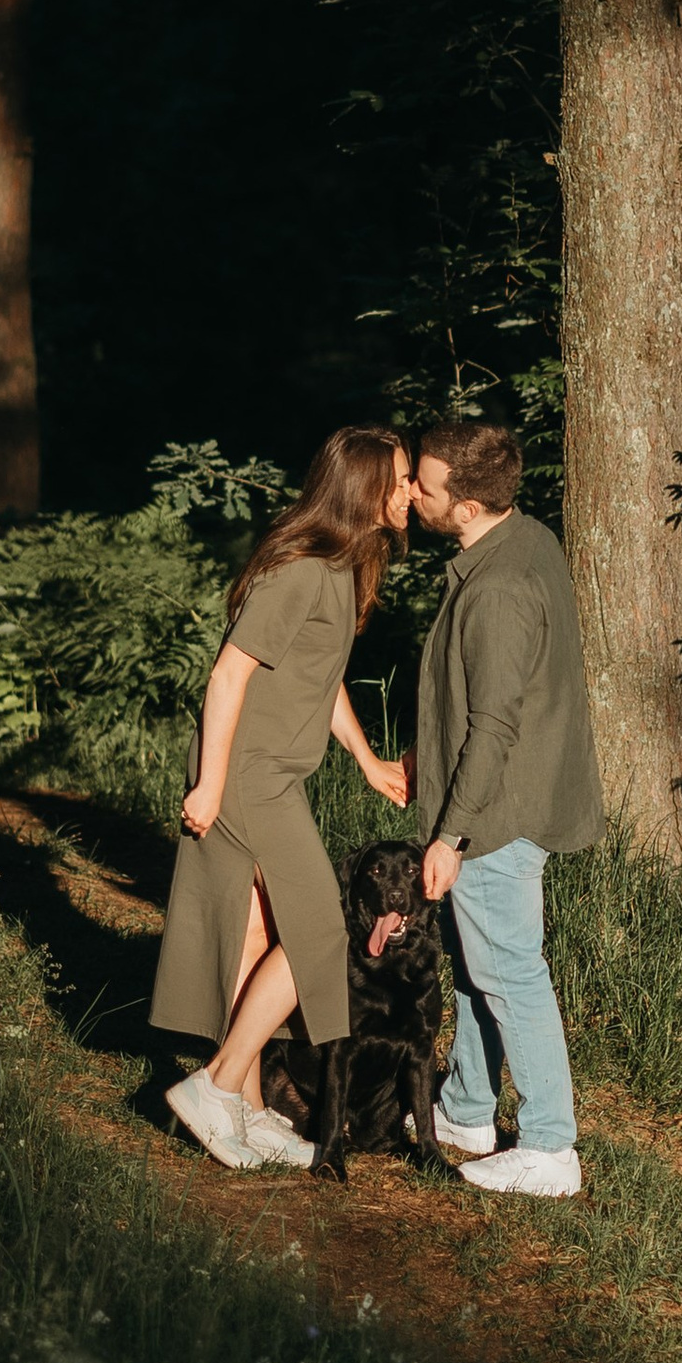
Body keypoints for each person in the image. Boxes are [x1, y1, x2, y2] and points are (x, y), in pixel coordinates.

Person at [151, 425, 413, 1172]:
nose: (407, 494)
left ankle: (249, 1107)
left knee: (260, 937)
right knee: (321, 933)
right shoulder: (302, 569)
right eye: (396, 482)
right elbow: (229, 673)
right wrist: (209, 783)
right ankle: (216, 1083)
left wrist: (366, 760)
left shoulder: (341, 567)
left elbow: (318, 674)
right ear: (364, 489)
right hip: (247, 773)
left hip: (268, 771)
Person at [407, 418, 604, 1198]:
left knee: (511, 974)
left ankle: (553, 1148)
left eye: (422, 486)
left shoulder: (497, 588)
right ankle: (467, 1111)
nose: (410, 495)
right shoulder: (526, 539)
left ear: (462, 504)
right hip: (515, 792)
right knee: (477, 964)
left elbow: (494, 723)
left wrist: (453, 832)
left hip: (497, 811)